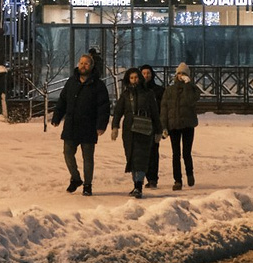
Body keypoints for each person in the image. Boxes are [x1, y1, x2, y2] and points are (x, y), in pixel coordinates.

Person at [54, 51, 109, 195]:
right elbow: (62, 100)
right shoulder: (71, 82)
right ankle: (76, 178)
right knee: (67, 154)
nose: (83, 66)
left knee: (88, 158)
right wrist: (57, 117)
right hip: (71, 125)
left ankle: (87, 185)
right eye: (81, 63)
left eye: (86, 63)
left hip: (89, 126)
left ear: (91, 66)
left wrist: (101, 125)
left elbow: (103, 107)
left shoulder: (98, 85)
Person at [113, 65, 162, 197]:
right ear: (128, 79)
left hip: (144, 129)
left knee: (141, 157)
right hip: (129, 130)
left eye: (136, 77)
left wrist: (158, 130)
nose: (134, 80)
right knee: (131, 157)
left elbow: (155, 113)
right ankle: (136, 184)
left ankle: (138, 185)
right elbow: (118, 112)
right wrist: (115, 127)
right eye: (132, 78)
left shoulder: (148, 93)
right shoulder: (125, 95)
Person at [161, 61, 200, 189]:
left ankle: (189, 173)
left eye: (184, 74)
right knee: (175, 154)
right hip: (173, 125)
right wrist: (164, 126)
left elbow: (191, 100)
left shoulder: (192, 89)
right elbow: (164, 108)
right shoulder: (169, 90)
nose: (181, 76)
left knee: (186, 152)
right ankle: (177, 180)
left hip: (188, 124)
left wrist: (188, 85)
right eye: (179, 73)